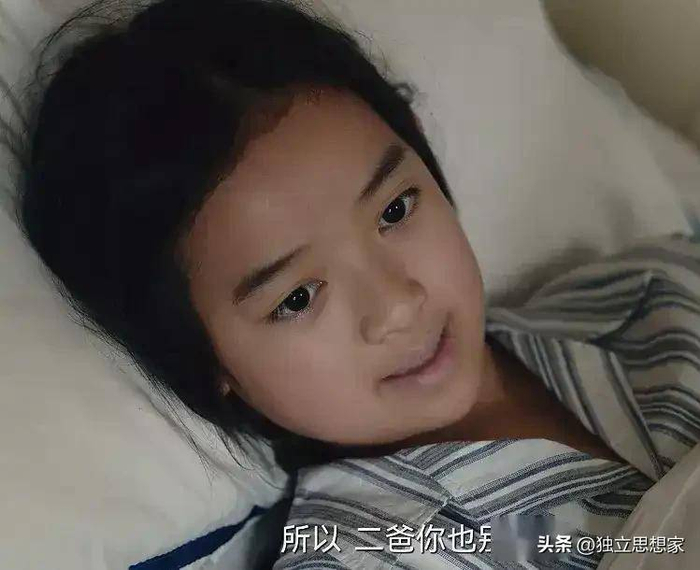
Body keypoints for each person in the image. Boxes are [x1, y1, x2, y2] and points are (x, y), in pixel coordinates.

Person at [14, 0, 700, 567]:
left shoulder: (653, 293)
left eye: (395, 210)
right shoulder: (363, 553)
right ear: (205, 360)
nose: (397, 304)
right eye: (298, 298)